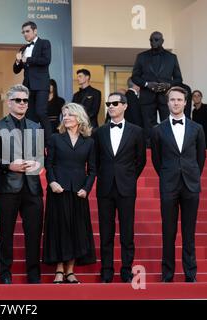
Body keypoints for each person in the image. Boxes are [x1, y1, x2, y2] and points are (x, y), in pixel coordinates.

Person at [151, 86, 206, 282]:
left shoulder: (197, 128)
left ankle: (190, 274)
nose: (175, 103)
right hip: (168, 185)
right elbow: (157, 160)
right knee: (168, 231)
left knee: (189, 233)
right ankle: (167, 274)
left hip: (191, 185)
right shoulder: (158, 130)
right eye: (172, 100)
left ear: (185, 102)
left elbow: (201, 157)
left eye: (179, 100)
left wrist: (191, 175)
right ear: (168, 103)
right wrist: (168, 175)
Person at [0, 84, 44, 284]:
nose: (22, 103)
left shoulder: (35, 126)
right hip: (7, 187)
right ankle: (5, 273)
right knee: (6, 233)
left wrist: (37, 163)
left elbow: (41, 156)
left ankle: (33, 274)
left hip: (32, 187)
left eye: (25, 100)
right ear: (9, 102)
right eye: (18, 100)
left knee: (34, 234)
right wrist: (9, 165)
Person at [93, 92, 146, 283]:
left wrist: (129, 178)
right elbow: (95, 160)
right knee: (106, 232)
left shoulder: (137, 131)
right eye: (108, 103)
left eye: (115, 103)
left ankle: (126, 269)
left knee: (127, 232)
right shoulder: (99, 132)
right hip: (105, 187)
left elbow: (141, 160)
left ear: (125, 106)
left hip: (126, 187)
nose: (111, 106)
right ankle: (106, 269)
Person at [43, 102, 97, 284]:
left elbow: (93, 170)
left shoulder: (89, 142)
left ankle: (70, 271)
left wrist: (86, 189)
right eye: (64, 115)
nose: (65, 117)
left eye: (69, 115)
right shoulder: (55, 138)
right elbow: (48, 164)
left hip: (79, 192)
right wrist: (52, 182)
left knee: (76, 230)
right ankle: (59, 269)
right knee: (59, 229)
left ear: (79, 118)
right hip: (58, 190)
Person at [132, 31, 183, 145]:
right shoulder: (141, 57)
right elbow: (134, 77)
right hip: (147, 96)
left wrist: (168, 85)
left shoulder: (172, 57)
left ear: (162, 41)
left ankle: (167, 146)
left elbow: (179, 79)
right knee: (148, 126)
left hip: (165, 97)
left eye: (156, 39)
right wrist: (147, 84)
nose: (153, 42)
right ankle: (150, 150)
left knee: (167, 123)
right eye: (151, 40)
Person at [13, 21, 52, 146]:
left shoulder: (44, 43)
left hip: (41, 85)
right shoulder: (23, 48)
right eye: (23, 32)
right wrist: (18, 61)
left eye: (27, 31)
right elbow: (16, 70)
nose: (25, 34)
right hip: (27, 87)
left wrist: (27, 59)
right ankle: (31, 143)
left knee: (41, 112)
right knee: (29, 117)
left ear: (35, 31)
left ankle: (49, 142)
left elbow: (46, 60)